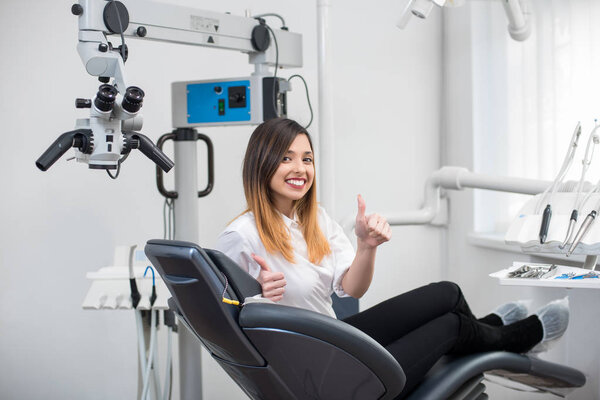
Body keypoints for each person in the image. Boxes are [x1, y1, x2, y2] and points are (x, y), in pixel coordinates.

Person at [216, 117, 569, 398]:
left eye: (306, 159)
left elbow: (351, 290)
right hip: (319, 374)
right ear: (261, 163)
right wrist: (258, 298)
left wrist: (367, 246)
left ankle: (490, 327)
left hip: (337, 340)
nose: (300, 168)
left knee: (447, 293)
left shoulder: (316, 220)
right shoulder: (241, 236)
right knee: (453, 326)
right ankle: (519, 336)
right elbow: (224, 324)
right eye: (286, 158)